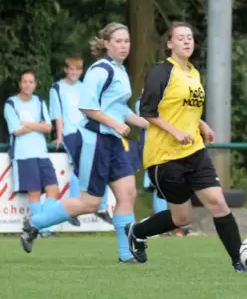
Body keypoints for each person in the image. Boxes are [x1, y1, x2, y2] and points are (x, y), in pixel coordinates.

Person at [124, 21, 247, 272]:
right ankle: (137, 232)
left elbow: (181, 108)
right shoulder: (161, 72)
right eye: (180, 38)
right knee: (182, 218)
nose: (186, 41)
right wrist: (176, 132)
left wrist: (201, 125)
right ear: (170, 44)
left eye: (189, 37)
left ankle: (240, 261)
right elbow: (148, 111)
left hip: (194, 151)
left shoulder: (193, 73)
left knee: (218, 203)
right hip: (164, 157)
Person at [20, 22, 148, 264]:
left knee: (127, 194)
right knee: (89, 202)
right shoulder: (100, 70)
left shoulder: (120, 70)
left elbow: (120, 107)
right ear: (106, 44)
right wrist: (116, 124)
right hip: (95, 141)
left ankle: (127, 255)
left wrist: (147, 124)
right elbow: (87, 107)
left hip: (113, 142)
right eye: (118, 41)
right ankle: (34, 223)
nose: (123, 46)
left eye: (127, 41)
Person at [49, 57, 112, 227]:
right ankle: (74, 209)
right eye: (71, 69)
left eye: (77, 69)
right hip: (71, 132)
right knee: (80, 168)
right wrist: (60, 134)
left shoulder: (84, 86)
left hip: (88, 131)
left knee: (97, 165)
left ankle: (101, 206)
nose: (74, 72)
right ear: (65, 69)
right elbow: (58, 113)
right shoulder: (57, 88)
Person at [4, 71, 60, 238]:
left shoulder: (40, 101)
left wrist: (28, 124)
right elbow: (16, 131)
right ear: (20, 84)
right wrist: (38, 126)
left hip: (41, 152)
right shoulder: (11, 104)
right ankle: (44, 230)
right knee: (34, 192)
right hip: (23, 154)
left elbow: (48, 127)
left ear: (35, 84)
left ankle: (39, 225)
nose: (28, 85)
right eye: (25, 81)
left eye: (31, 82)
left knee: (53, 189)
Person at [134, 96, 193, 237]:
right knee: (159, 186)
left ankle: (179, 223)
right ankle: (163, 226)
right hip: (154, 148)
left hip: (174, 147)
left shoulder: (174, 96)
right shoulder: (143, 100)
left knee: (179, 182)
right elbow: (145, 121)